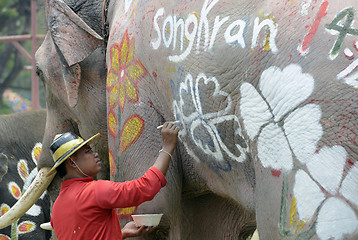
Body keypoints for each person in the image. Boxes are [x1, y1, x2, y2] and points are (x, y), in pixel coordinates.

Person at [49, 122, 179, 240]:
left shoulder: (56, 209)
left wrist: (121, 233)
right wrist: (167, 147)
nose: (95, 154)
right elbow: (144, 188)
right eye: (88, 151)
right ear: (72, 162)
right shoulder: (94, 191)